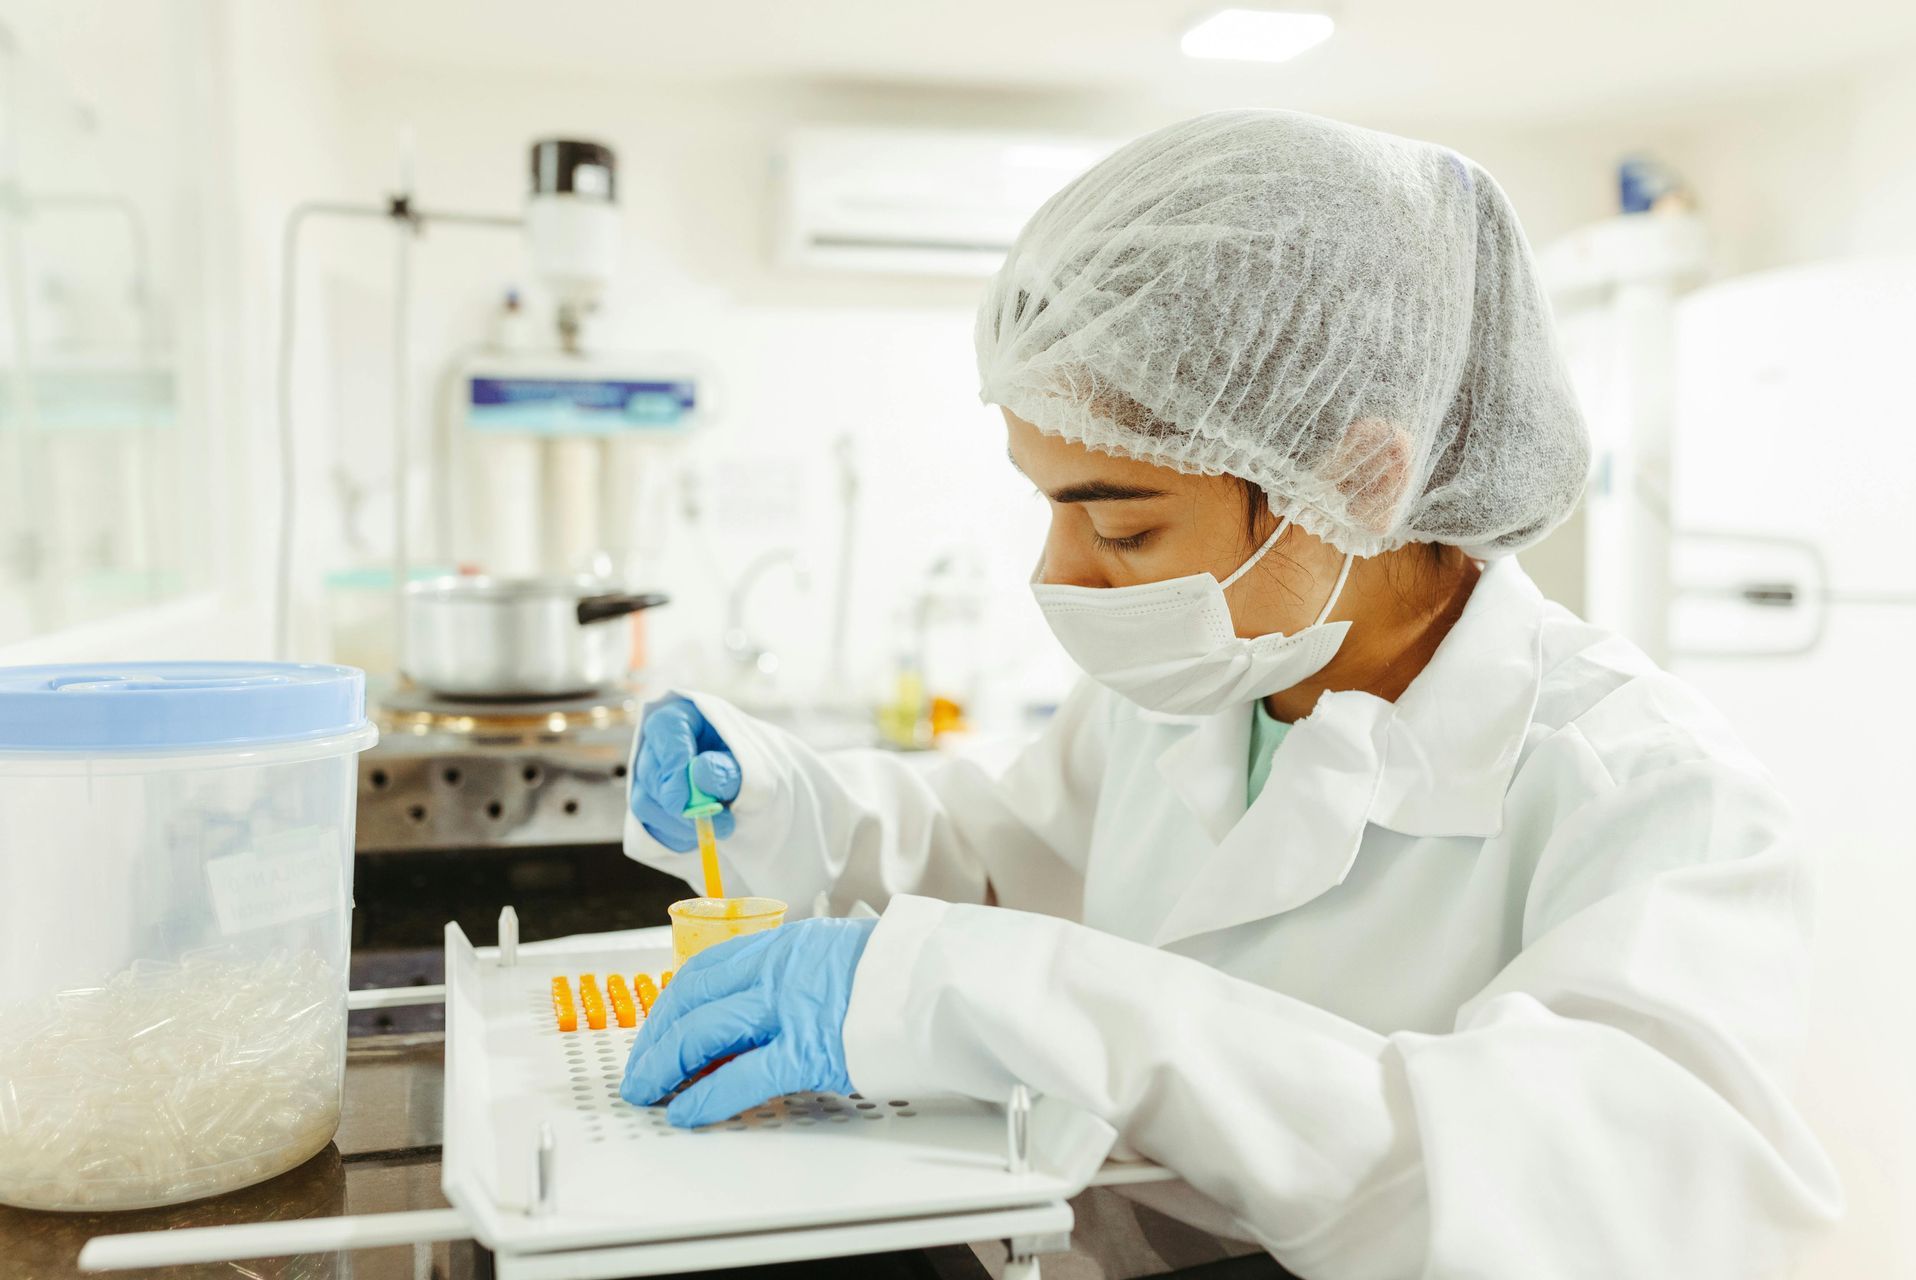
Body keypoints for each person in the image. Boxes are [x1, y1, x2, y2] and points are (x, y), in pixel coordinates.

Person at [619, 110, 1840, 1278]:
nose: (1060, 574)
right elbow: (1001, 864)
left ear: (1357, 479)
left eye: (1126, 526)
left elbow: (1586, 1207)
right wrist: (777, 798)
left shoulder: (1653, 796)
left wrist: (1032, 998)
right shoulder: (1202, 690)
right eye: (1049, 506)